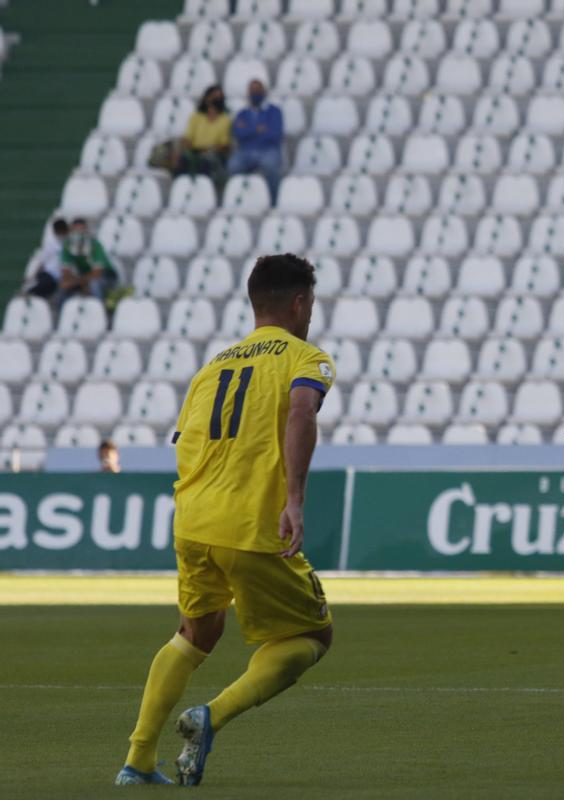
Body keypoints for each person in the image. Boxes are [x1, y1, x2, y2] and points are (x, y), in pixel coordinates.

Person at [115, 254, 336, 786]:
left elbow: (185, 444)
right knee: (312, 635)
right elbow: (302, 414)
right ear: (300, 302)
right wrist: (295, 500)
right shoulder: (307, 358)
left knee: (197, 631)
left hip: (192, 520)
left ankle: (138, 760)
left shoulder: (210, 368)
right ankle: (212, 715)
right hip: (251, 525)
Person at [229, 79, 284, 205]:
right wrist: (257, 129)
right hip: (246, 151)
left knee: (271, 166)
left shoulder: (274, 112)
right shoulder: (242, 114)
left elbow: (275, 134)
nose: (255, 93)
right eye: (252, 90)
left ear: (264, 92)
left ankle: (274, 202)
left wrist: (248, 130)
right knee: (234, 166)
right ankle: (239, 200)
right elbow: (238, 134)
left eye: (258, 90)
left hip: (268, 150)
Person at [176, 85, 231, 185]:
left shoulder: (225, 119)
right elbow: (188, 138)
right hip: (195, 151)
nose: (215, 100)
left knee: (205, 162)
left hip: (213, 153)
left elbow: (224, 145)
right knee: (183, 160)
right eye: (213, 97)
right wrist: (188, 147)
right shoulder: (196, 116)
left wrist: (208, 150)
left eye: (219, 97)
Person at [60, 218, 120, 305]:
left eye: (81, 230)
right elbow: (65, 271)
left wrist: (75, 282)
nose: (79, 233)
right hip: (83, 277)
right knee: (63, 289)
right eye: (76, 230)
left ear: (86, 230)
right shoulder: (67, 245)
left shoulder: (95, 245)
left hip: (106, 276)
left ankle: (100, 310)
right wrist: (68, 282)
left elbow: (97, 274)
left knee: (94, 285)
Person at [27, 218, 69, 300]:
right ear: (54, 232)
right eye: (58, 232)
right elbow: (42, 261)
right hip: (49, 274)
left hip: (63, 276)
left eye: (62, 232)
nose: (60, 235)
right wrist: (33, 275)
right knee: (46, 283)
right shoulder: (50, 244)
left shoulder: (70, 243)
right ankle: (29, 294)